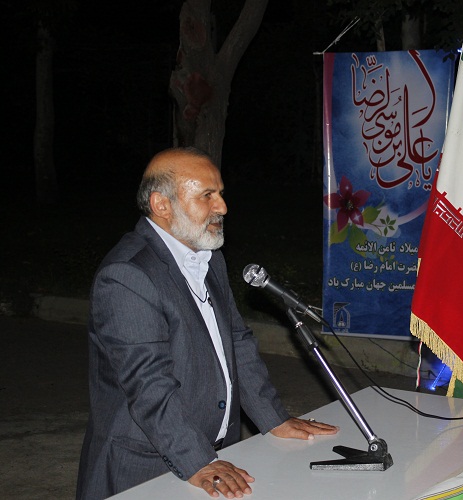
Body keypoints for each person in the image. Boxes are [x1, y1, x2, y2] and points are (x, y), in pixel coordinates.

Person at [76, 147, 338, 499]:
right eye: (207, 195)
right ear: (162, 205)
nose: (222, 207)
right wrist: (197, 460)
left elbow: (236, 343)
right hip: (146, 467)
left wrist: (273, 418)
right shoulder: (127, 275)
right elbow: (148, 384)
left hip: (214, 452)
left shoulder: (209, 258)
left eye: (221, 193)